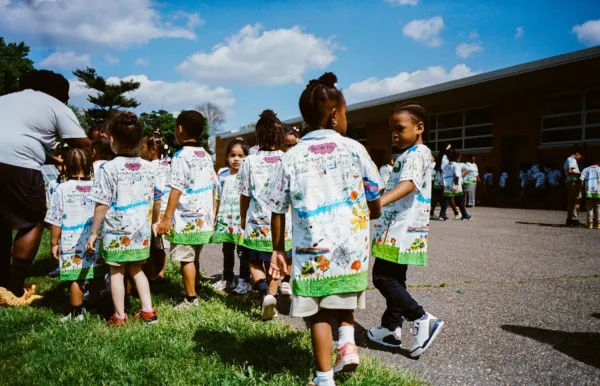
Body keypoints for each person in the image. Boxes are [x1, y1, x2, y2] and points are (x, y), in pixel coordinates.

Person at [262, 72, 383, 386]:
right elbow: (374, 196)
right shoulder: (356, 150)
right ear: (333, 115)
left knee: (316, 312)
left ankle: (324, 377)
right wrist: (372, 212)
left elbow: (277, 208)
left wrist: (277, 248)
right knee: (343, 297)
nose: (345, 119)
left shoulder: (291, 157)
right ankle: (347, 342)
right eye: (345, 113)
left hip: (311, 250)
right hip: (352, 245)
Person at [0, 70, 90, 305]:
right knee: (33, 218)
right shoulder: (55, 105)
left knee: (1, 222)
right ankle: (15, 289)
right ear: (59, 92)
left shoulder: (6, 99)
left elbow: (14, 136)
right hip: (19, 166)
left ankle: (0, 284)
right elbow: (83, 145)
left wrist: (52, 159)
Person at [368, 102, 444, 358]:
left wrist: (378, 203)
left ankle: (421, 318)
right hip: (399, 228)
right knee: (395, 278)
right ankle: (391, 328)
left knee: (382, 277)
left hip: (399, 229)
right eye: (392, 130)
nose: (394, 135)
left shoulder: (416, 153)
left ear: (419, 128)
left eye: (399, 129)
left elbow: (409, 184)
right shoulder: (412, 154)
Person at [85, 112, 159, 326]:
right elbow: (155, 199)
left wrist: (93, 232)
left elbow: (102, 203)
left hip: (116, 231)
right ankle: (148, 311)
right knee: (137, 269)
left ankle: (119, 315)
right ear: (139, 141)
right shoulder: (150, 168)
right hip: (140, 231)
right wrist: (154, 221)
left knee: (116, 271)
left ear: (112, 141)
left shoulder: (108, 168)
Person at [156, 111, 219, 310]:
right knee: (194, 256)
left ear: (180, 129)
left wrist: (166, 218)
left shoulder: (180, 156)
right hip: (203, 216)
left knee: (186, 258)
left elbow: (176, 188)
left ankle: (191, 299)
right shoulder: (206, 156)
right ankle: (197, 287)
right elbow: (213, 187)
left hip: (187, 217)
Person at [237, 109, 292, 320]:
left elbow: (244, 194)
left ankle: (263, 293)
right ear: (281, 137)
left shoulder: (250, 161)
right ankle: (272, 296)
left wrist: (243, 217)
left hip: (256, 221)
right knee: (277, 263)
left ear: (258, 136)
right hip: (282, 224)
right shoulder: (286, 159)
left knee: (254, 262)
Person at [45, 148, 106, 321]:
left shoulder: (61, 189)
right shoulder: (98, 187)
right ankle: (93, 305)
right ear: (90, 165)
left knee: (75, 276)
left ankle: (77, 312)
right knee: (96, 273)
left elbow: (56, 219)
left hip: (71, 241)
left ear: (67, 167)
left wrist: (53, 243)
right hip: (96, 238)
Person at [211, 138, 252, 294]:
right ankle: (228, 279)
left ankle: (244, 281)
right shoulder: (222, 174)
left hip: (241, 221)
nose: (236, 159)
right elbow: (218, 198)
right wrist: (214, 216)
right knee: (227, 250)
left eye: (241, 155)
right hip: (225, 221)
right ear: (227, 156)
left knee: (243, 252)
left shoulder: (248, 175)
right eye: (233, 155)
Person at [140, 130, 170, 281]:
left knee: (152, 246)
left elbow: (156, 195)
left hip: (154, 211)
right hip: (165, 210)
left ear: (152, 149)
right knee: (160, 247)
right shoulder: (167, 165)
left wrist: (154, 219)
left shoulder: (149, 167)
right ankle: (160, 274)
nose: (140, 150)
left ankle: (152, 275)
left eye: (142, 147)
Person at [439, 150, 471, 221]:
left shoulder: (446, 165)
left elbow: (443, 174)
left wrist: (442, 184)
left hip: (447, 184)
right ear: (457, 158)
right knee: (460, 200)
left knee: (446, 200)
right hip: (455, 185)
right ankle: (464, 215)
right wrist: (456, 185)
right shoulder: (456, 165)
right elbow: (457, 175)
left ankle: (442, 214)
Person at [564, 147, 585, 227]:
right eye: (580, 156)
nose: (580, 158)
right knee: (577, 199)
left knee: (571, 201)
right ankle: (574, 219)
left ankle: (569, 219)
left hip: (569, 182)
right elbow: (570, 171)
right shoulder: (572, 160)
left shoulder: (567, 160)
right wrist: (581, 173)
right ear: (577, 154)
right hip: (573, 182)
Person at [580, 155, 600, 229]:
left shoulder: (586, 169)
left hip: (588, 191)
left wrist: (582, 188)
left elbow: (581, 179)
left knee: (589, 207)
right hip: (598, 191)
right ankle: (598, 224)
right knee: (598, 207)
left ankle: (590, 224)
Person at [431, 154, 444, 219]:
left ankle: (432, 213)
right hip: (440, 184)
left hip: (436, 184)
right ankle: (442, 214)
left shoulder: (436, 166)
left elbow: (433, 173)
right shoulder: (441, 166)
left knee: (436, 199)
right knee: (442, 199)